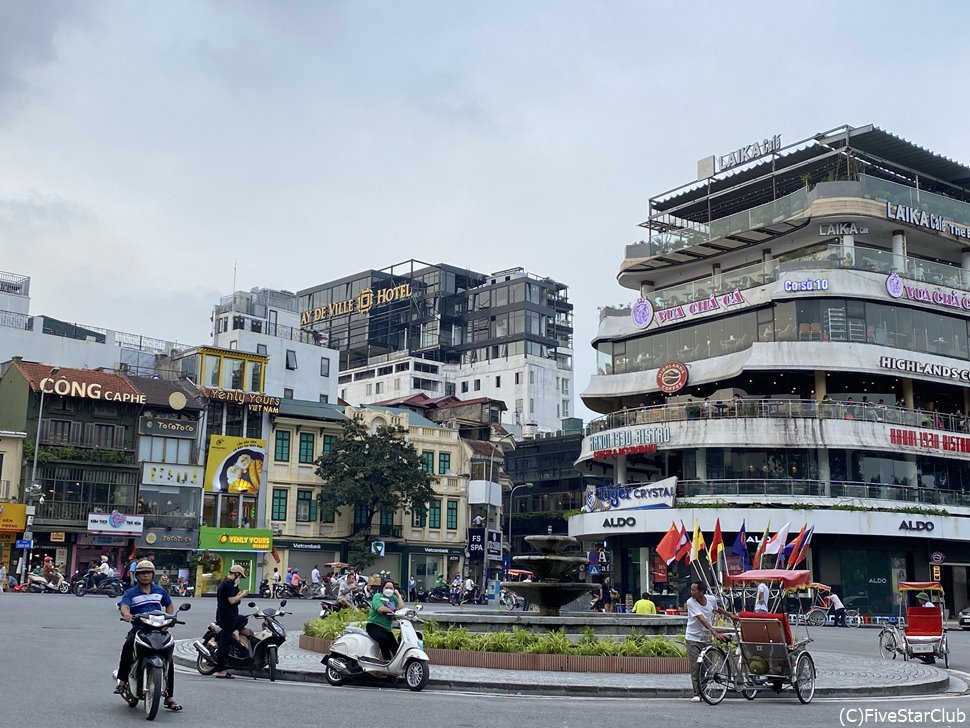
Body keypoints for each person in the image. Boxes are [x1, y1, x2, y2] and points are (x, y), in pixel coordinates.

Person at [114, 560, 181, 711]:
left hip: (159, 630)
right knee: (127, 645)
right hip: (139, 629)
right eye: (142, 573)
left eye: (148, 573)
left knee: (168, 658)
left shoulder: (159, 591)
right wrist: (127, 614)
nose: (145, 576)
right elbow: (124, 605)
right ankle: (123, 681)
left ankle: (169, 697)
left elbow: (168, 604)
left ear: (152, 574)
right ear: (137, 575)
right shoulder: (131, 592)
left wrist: (169, 618)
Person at [685, 581, 737, 702]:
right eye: (691, 589)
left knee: (707, 667)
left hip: (705, 638)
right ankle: (697, 693)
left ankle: (703, 690)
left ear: (702, 592)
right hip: (692, 638)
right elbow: (701, 619)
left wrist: (730, 615)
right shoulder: (691, 602)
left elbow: (716, 608)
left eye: (694, 590)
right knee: (695, 667)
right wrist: (715, 632)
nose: (691, 592)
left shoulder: (711, 599)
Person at [214, 565, 250, 679]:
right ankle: (220, 670)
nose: (240, 579)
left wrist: (239, 594)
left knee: (244, 619)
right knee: (224, 643)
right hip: (227, 617)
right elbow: (231, 600)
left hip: (229, 616)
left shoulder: (228, 584)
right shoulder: (228, 584)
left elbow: (233, 598)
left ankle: (236, 631)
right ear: (236, 574)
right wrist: (242, 595)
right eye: (240, 576)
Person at [367, 578, 404, 661]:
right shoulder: (378, 596)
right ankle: (386, 661)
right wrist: (393, 610)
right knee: (384, 640)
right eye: (386, 588)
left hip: (386, 629)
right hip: (374, 626)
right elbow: (380, 609)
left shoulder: (393, 599)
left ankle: (398, 665)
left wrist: (399, 595)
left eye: (391, 588)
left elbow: (401, 607)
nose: (389, 590)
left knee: (395, 647)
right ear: (382, 589)